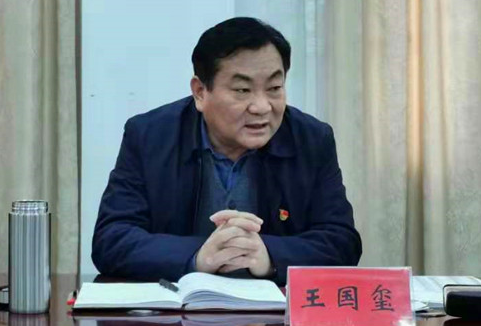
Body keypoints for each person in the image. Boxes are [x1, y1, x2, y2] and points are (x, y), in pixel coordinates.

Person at [92, 17, 361, 285]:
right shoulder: (150, 136)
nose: (261, 107)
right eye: (242, 90)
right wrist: (198, 256)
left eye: (274, 88)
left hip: (272, 310)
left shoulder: (311, 139)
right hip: (179, 309)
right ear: (200, 92)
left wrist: (268, 256)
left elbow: (341, 242)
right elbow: (111, 240)